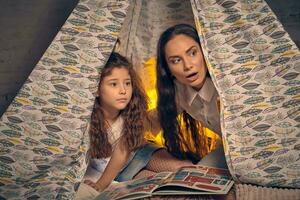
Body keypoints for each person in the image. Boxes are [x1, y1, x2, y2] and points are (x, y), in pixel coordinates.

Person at [75, 52, 159, 199]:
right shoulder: (85, 118)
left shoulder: (132, 114)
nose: (123, 91)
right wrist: (101, 185)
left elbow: (122, 151)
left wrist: (102, 183)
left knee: (176, 167)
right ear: (96, 90)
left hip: (137, 151)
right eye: (114, 84)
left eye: (127, 83)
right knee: (151, 183)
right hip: (120, 168)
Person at [152, 23, 227, 168]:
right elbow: (154, 120)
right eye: (176, 60)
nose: (187, 65)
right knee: (198, 175)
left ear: (204, 51)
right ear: (168, 69)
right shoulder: (178, 91)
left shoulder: (225, 85)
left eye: (192, 53)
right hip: (227, 149)